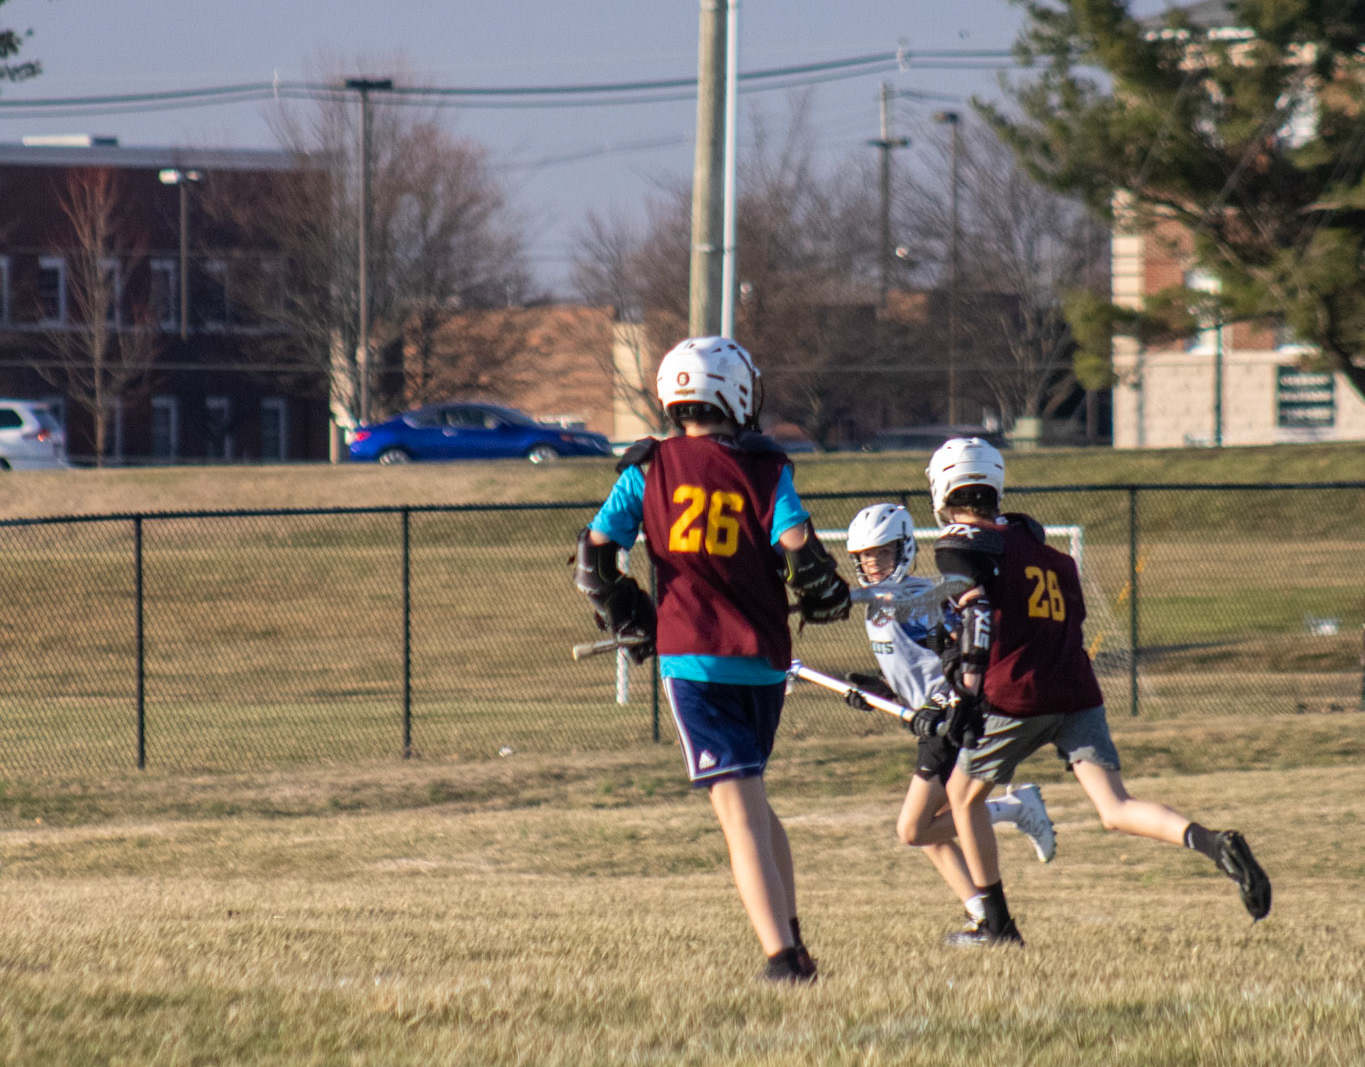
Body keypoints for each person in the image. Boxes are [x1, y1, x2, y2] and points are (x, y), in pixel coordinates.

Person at [573, 336, 850, 983]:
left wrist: (630, 614)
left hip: (694, 660)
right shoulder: (765, 466)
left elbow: (595, 557)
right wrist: (824, 591)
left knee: (738, 810)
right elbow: (799, 549)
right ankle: (793, 939)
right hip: (762, 659)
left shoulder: (647, 468)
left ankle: (781, 959)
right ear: (737, 393)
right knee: (753, 801)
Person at [920, 437, 1272, 946]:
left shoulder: (964, 543)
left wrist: (965, 691)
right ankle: (1212, 842)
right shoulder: (1050, 556)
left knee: (962, 797)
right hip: (1076, 689)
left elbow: (977, 615)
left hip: (1018, 694)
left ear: (943, 487)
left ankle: (995, 925)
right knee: (1115, 808)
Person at [840, 503, 1056, 939]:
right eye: (863, 556)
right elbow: (918, 669)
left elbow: (960, 660)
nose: (871, 564)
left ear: (903, 550)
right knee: (931, 832)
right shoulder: (878, 605)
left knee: (914, 829)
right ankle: (980, 914)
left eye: (881, 553)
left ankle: (1014, 809)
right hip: (933, 722)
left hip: (953, 722)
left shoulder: (921, 602)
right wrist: (881, 694)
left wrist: (941, 702)